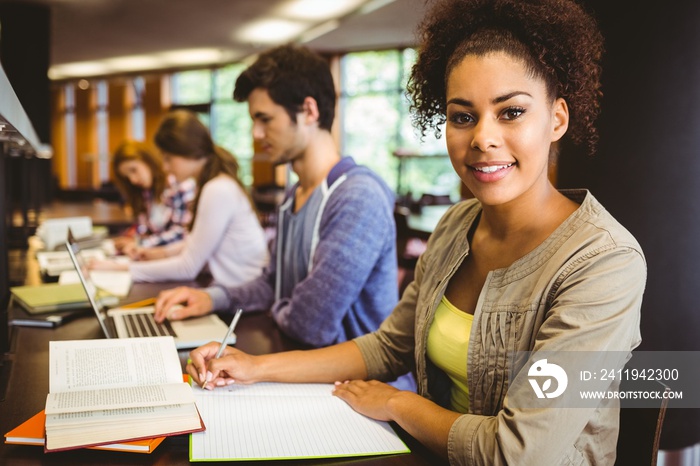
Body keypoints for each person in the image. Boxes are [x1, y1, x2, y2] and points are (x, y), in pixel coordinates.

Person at [185, 0, 646, 464]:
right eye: (463, 116)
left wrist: (397, 402)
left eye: (511, 112)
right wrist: (253, 367)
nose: (482, 137)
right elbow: (388, 347)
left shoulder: (602, 262)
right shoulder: (454, 228)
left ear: (557, 120)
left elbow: (518, 452)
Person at [154, 44, 399, 350]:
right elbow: (273, 286)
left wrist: (282, 307)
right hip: (306, 368)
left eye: (265, 119)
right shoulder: (293, 196)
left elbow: (310, 325)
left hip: (361, 387)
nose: (256, 134)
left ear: (309, 111)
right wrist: (211, 298)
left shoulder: (356, 197)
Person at [93, 110, 268, 289]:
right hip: (232, 290)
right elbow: (197, 242)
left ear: (188, 151)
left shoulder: (217, 189)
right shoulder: (216, 183)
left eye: (168, 158)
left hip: (242, 297)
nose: (166, 167)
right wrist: (158, 253)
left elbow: (187, 268)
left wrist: (122, 269)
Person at [110, 140, 196, 259]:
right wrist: (133, 241)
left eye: (134, 170)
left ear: (148, 161)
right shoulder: (146, 193)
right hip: (156, 260)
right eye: (127, 177)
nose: (133, 180)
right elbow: (149, 231)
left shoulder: (179, 186)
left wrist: (141, 243)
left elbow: (182, 234)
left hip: (178, 262)